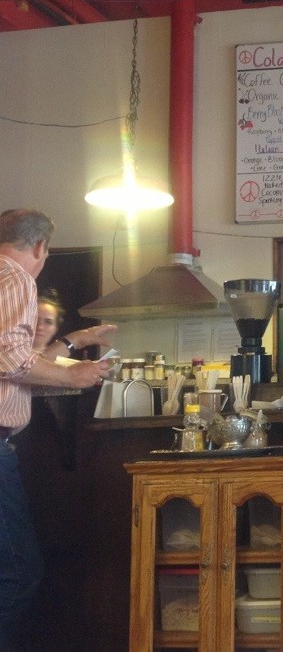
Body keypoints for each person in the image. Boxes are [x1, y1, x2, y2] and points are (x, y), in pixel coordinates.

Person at [0, 209, 116, 647]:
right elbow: (10, 359)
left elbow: (16, 361)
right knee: (19, 572)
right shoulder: (16, 278)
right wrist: (72, 377)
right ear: (40, 246)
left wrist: (75, 348)